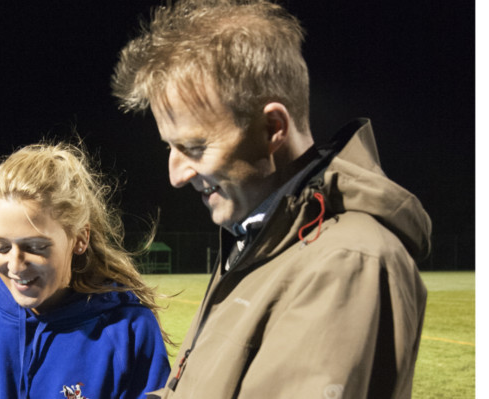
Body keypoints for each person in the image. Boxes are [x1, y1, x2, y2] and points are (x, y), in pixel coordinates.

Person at [112, 0, 431, 398]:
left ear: (273, 127)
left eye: (194, 147)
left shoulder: (347, 260)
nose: (176, 176)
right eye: (170, 148)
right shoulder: (262, 233)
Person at [0, 141, 171, 399]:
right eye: (1, 247)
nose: (16, 265)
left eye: (36, 247)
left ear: (80, 239)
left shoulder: (129, 330)